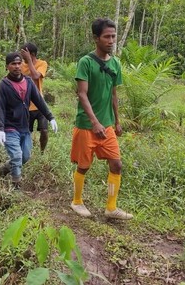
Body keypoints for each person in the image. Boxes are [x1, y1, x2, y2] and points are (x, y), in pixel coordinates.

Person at [69, 18, 133, 220]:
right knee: (84, 166)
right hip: (87, 125)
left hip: (107, 126)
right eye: (107, 36)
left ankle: (111, 208)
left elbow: (114, 94)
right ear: (96, 38)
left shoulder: (115, 64)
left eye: (113, 36)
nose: (111, 40)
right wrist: (95, 122)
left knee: (117, 164)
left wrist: (117, 121)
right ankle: (77, 201)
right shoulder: (85, 62)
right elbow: (82, 94)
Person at [0, 52, 58, 189]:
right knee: (17, 156)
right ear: (7, 66)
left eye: (19, 63)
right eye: (13, 64)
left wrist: (50, 117)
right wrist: (0, 129)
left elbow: (39, 101)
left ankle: (4, 169)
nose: (17, 66)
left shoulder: (28, 82)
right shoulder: (3, 85)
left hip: (24, 127)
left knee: (25, 156)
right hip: (10, 128)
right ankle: (16, 187)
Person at [20, 42, 50, 153]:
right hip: (25, 105)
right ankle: (26, 152)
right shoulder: (21, 65)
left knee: (44, 131)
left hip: (40, 104)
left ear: (32, 54)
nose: (23, 59)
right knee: (26, 133)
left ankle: (42, 151)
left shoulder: (42, 63)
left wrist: (30, 61)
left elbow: (36, 76)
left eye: (24, 55)